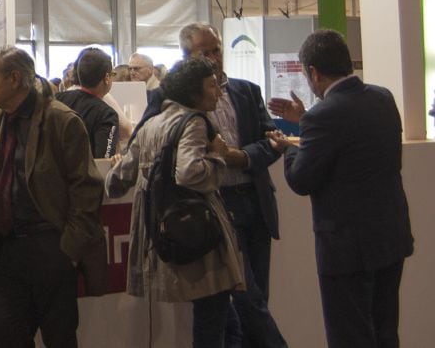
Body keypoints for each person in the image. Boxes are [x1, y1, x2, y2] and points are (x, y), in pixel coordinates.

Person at [134, 23, 287, 348]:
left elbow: (271, 141)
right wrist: (210, 158)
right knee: (245, 302)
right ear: (188, 57)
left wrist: (239, 157)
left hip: (254, 203)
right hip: (211, 209)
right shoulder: (168, 96)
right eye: (207, 51)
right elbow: (145, 142)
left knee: (257, 297)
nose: (216, 57)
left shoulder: (246, 91)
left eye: (217, 49)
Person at [0, 46, 107, 347]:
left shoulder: (62, 121)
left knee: (59, 337)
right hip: (8, 249)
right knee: (7, 338)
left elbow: (87, 191)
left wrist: (68, 251)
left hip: (51, 248)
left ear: (14, 78)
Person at [267, 29, 413, 348]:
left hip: (347, 248)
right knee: (385, 332)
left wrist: (289, 147)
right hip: (390, 236)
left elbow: (301, 180)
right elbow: (352, 147)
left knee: (350, 337)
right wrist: (305, 121)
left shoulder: (323, 116)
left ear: (313, 73)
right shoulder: (382, 98)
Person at [106, 57, 245, 347]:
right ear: (193, 90)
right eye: (211, 85)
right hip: (200, 239)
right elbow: (189, 172)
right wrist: (218, 157)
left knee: (222, 319)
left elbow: (116, 183)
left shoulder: (151, 124)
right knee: (213, 321)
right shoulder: (194, 123)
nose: (218, 92)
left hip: (160, 236)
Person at [55, 47, 120, 158]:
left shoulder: (57, 99)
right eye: (113, 74)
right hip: (82, 174)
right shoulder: (107, 115)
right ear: (107, 77)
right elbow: (103, 160)